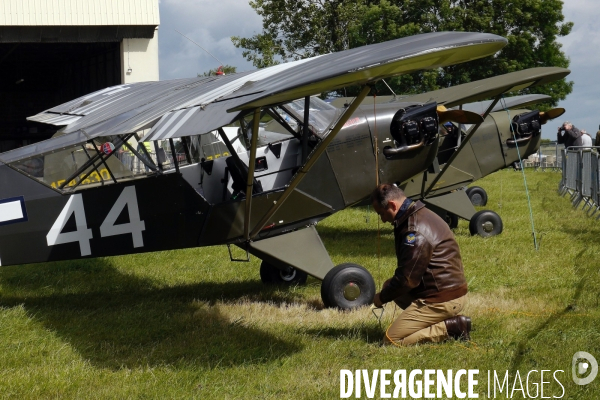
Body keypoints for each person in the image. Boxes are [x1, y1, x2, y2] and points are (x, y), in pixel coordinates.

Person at [371, 184, 470, 346]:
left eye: (381, 213)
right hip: (447, 291)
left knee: (391, 340)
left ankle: (452, 327)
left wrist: (381, 298)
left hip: (442, 299)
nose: (382, 219)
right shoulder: (419, 213)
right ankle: (435, 320)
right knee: (390, 286)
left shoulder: (414, 230)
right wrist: (388, 291)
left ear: (392, 205)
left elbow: (407, 279)